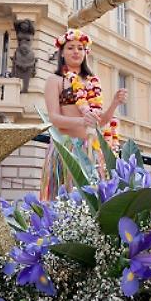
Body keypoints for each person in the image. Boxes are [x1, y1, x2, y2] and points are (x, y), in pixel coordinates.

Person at [40, 28, 126, 199]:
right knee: (65, 199)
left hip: (92, 149)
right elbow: (54, 119)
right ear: (62, 53)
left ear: (86, 53)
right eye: (71, 47)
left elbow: (99, 123)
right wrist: (82, 121)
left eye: (80, 48)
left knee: (92, 200)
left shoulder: (93, 82)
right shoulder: (55, 80)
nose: (76, 51)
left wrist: (114, 103)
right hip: (67, 150)